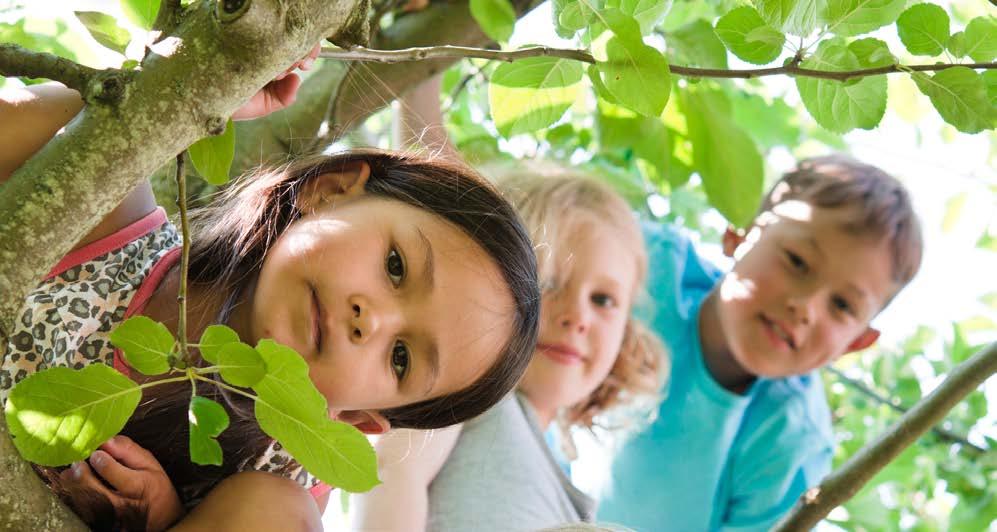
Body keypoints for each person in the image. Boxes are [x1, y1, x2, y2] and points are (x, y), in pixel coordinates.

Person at [0, 51, 540, 531]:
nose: (369, 321)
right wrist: (189, 89)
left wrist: (169, 520)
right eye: (395, 267)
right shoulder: (105, 226)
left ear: (353, 418)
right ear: (329, 192)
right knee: (91, 137)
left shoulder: (274, 490)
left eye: (401, 357)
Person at [597, 155, 923, 530]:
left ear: (855, 343)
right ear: (740, 235)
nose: (805, 308)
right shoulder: (642, 264)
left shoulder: (791, 442)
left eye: (842, 305)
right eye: (798, 262)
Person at [350, 166, 669, 531]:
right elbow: (395, 469)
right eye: (548, 283)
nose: (577, 316)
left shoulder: (566, 499)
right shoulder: (475, 392)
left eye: (603, 299)